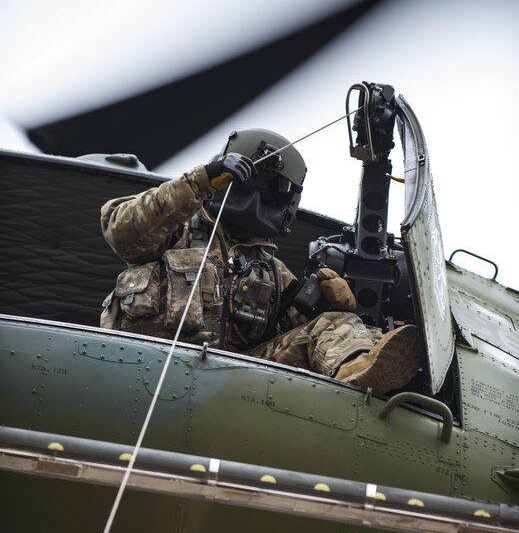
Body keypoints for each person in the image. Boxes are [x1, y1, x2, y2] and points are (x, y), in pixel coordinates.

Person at [99, 129, 420, 395]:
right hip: (143, 367)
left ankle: (358, 373)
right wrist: (202, 179)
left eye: (274, 190)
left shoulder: (275, 275)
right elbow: (122, 231)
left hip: (227, 384)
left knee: (334, 324)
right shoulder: (174, 231)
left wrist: (341, 309)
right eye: (246, 181)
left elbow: (309, 333)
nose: (256, 197)